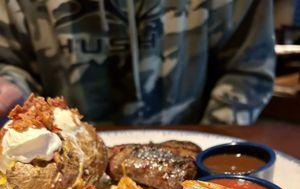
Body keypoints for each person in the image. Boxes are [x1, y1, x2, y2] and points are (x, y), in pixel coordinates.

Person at [0, 0, 275, 125]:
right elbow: (12, 62)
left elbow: (247, 68)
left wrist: (209, 144)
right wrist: (13, 91)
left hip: (192, 145)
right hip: (61, 153)